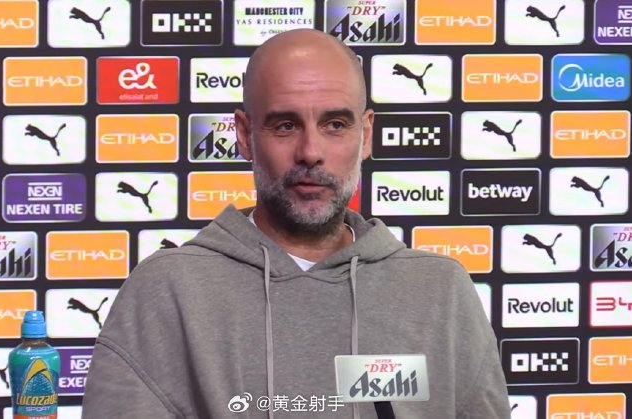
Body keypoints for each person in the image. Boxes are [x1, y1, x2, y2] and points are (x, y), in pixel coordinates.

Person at [82, 29, 511, 419]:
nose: (310, 151)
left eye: (335, 125)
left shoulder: (440, 292)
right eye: (285, 125)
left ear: (365, 135)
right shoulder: (166, 292)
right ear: (245, 135)